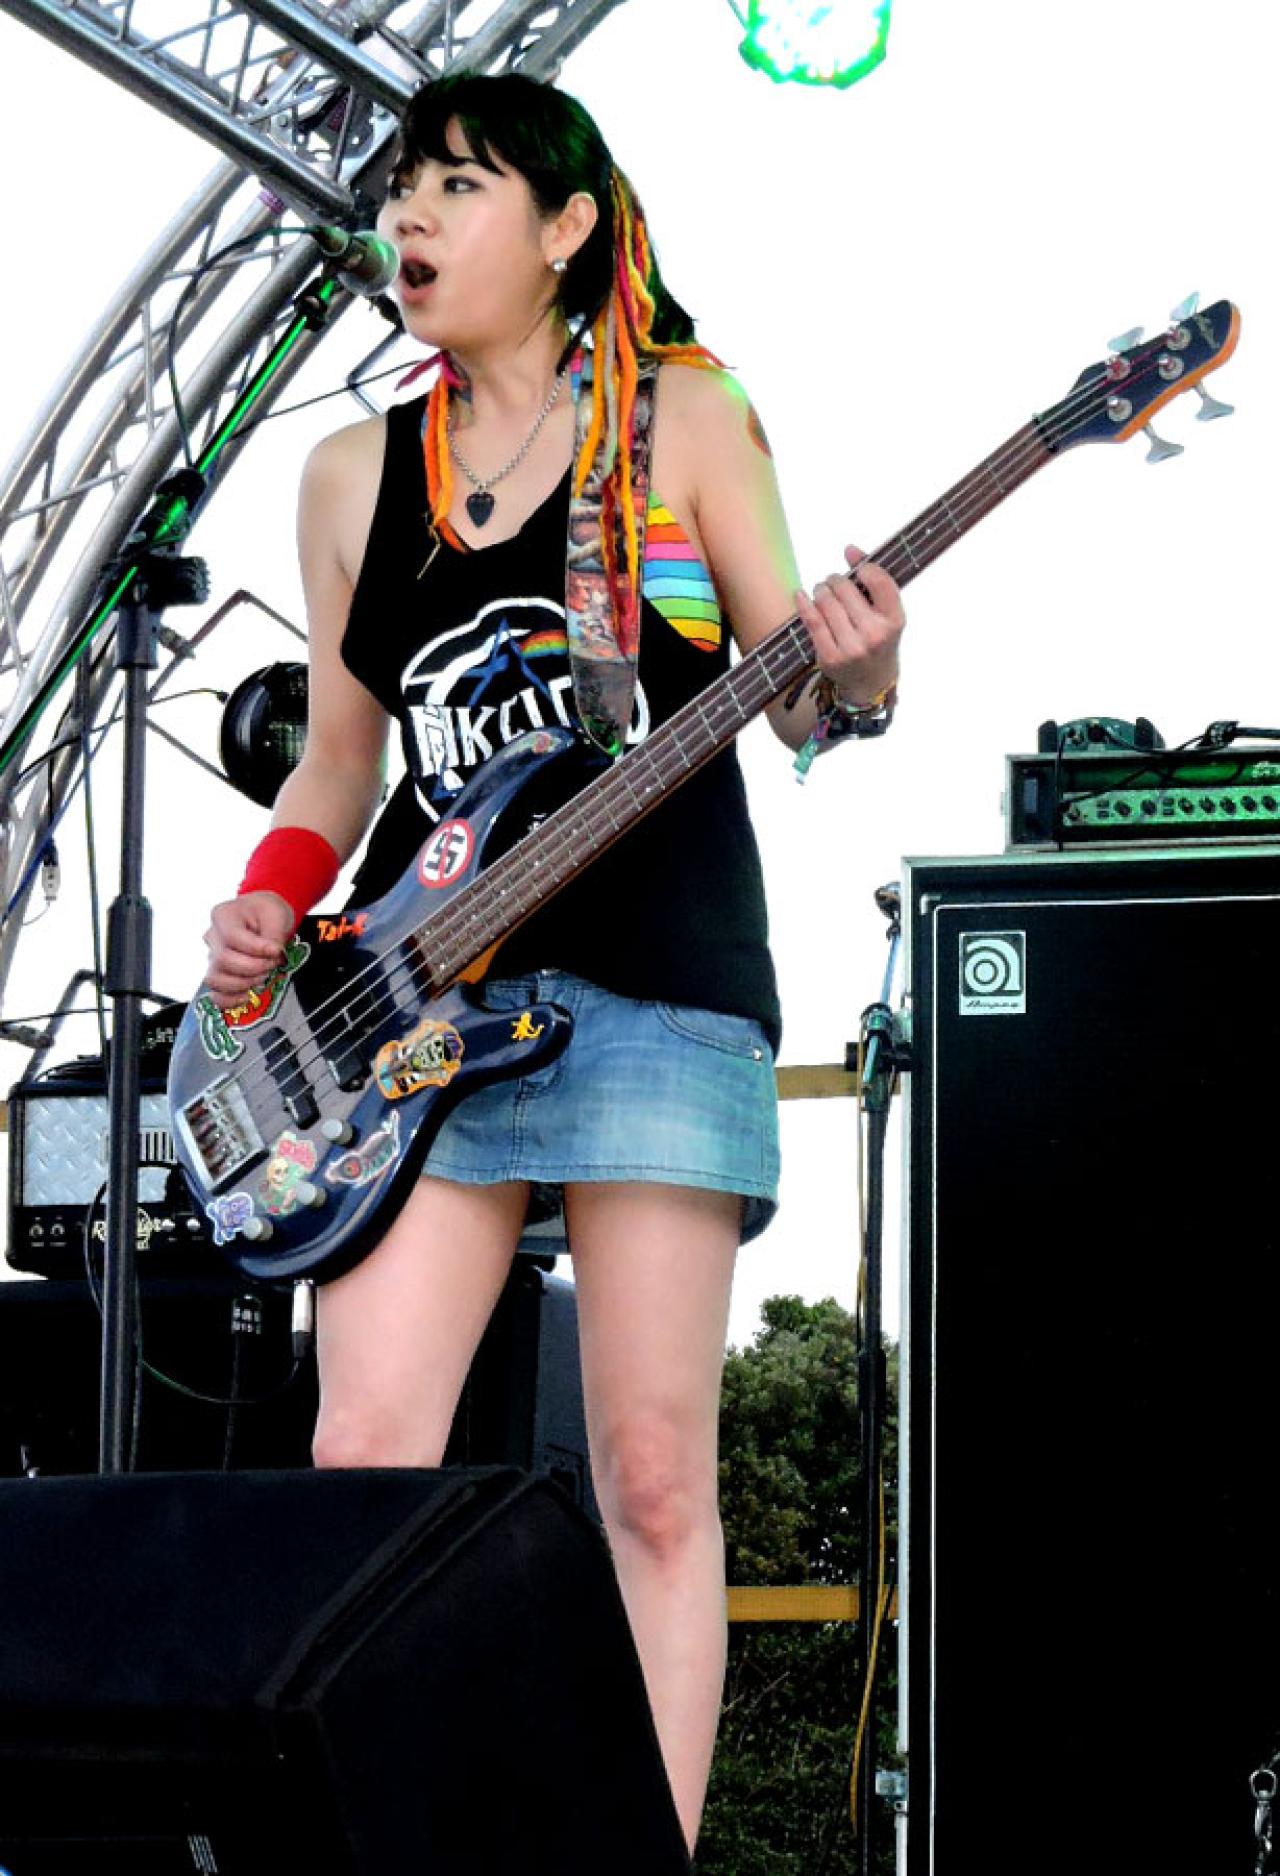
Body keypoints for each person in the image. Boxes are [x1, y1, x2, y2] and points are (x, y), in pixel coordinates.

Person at [202, 70, 905, 1859]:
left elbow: (801, 698)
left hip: (657, 989)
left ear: (569, 227)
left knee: (653, 1477)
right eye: (404, 186)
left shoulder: (678, 420)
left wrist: (863, 671)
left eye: (460, 184)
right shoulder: (353, 473)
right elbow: (342, 762)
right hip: (413, 1010)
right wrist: (272, 897)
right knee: (359, 1463)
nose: (411, 216)